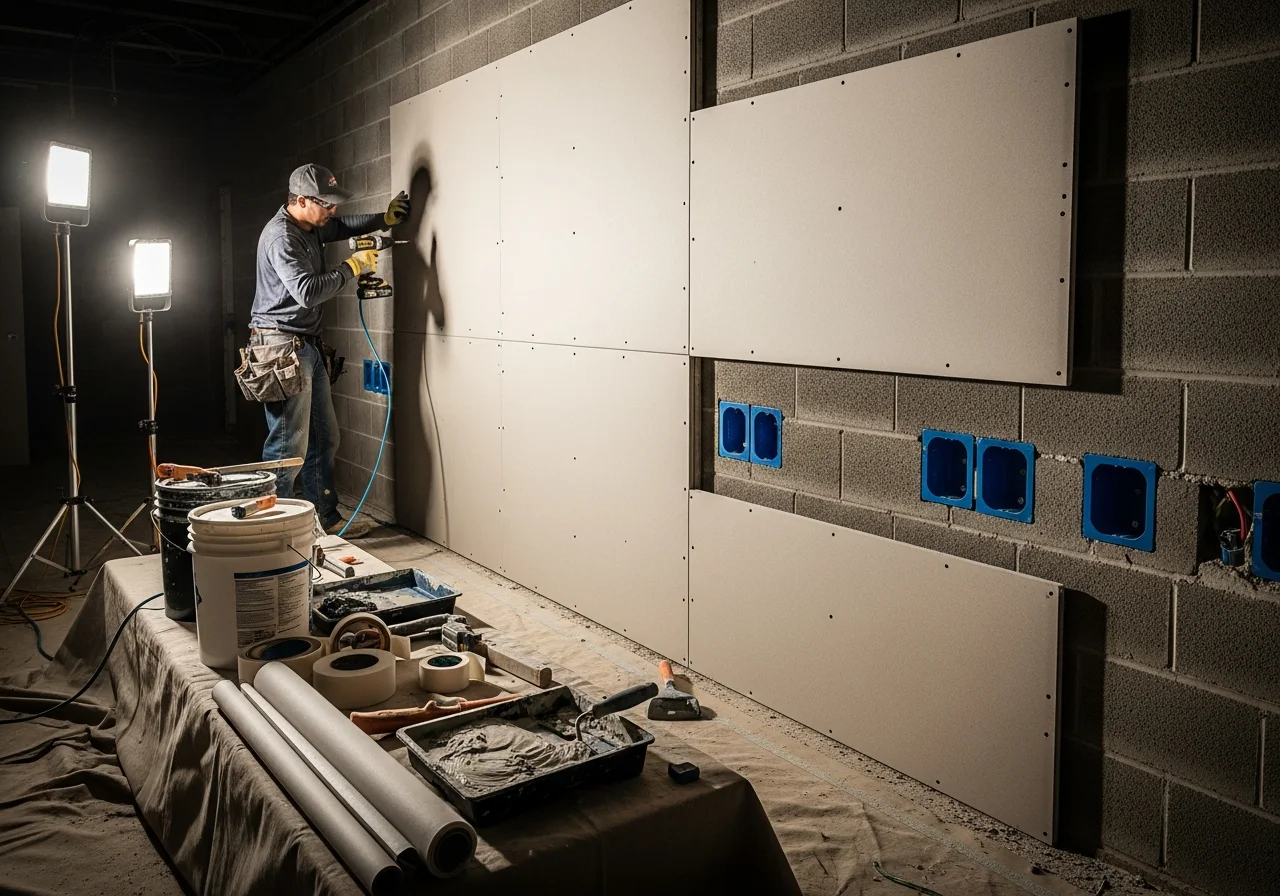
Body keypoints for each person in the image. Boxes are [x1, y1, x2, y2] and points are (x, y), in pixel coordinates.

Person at [248, 163, 409, 537]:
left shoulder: (310, 224)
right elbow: (306, 293)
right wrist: (351, 266)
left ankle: (326, 517)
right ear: (301, 200)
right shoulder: (281, 238)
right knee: (288, 447)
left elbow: (342, 225)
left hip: (305, 346)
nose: (333, 211)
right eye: (327, 204)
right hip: (280, 348)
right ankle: (278, 530)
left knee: (325, 437)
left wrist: (382, 218)